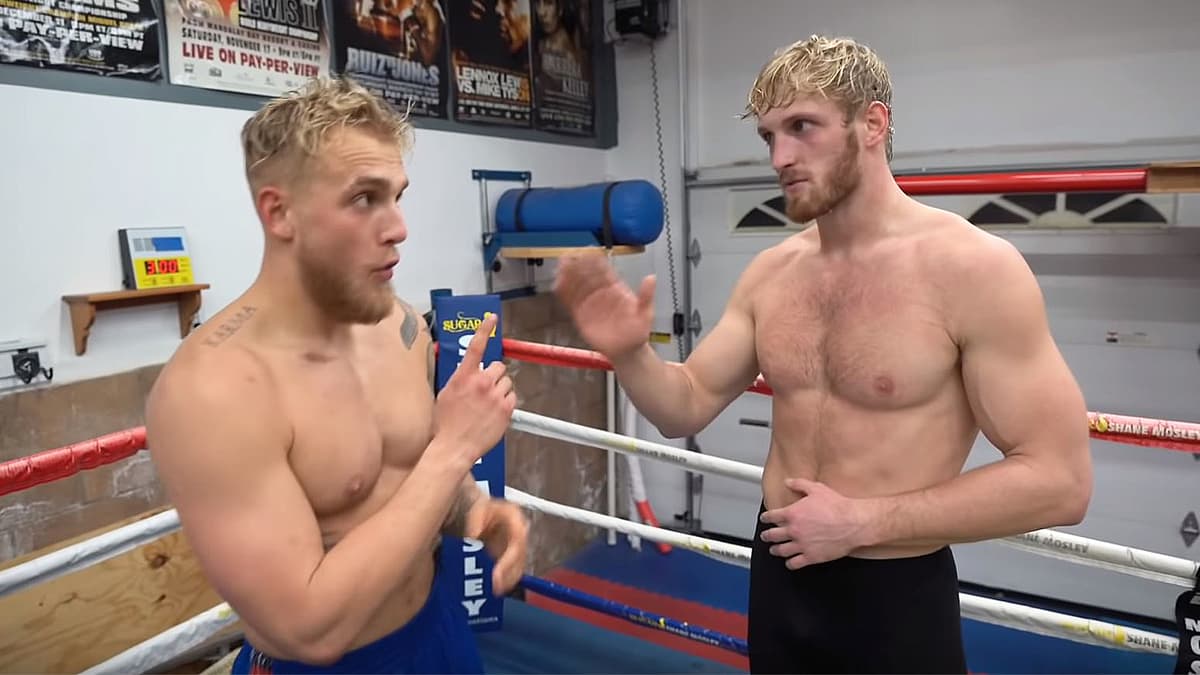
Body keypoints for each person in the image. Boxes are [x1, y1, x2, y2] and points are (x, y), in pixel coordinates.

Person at [553, 35, 1093, 674]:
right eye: (769, 136)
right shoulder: (772, 272)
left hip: (894, 593)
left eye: (802, 127)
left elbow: (1060, 481)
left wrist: (863, 522)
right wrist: (630, 353)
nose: (780, 157)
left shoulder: (973, 269)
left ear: (872, 123)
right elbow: (685, 406)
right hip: (781, 577)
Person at [145, 76, 527, 674]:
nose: (398, 226)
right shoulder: (214, 390)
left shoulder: (399, 327)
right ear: (280, 212)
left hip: (438, 634)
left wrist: (473, 510)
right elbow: (305, 630)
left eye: (398, 196)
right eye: (364, 198)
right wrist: (455, 450)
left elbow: (409, 477)